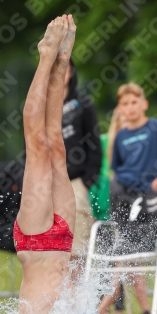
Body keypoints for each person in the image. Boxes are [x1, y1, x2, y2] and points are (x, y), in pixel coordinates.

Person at [98, 82, 157, 314]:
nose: (130, 107)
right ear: (120, 109)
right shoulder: (121, 136)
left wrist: (155, 186)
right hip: (125, 201)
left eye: (134, 102)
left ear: (143, 104)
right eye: (125, 103)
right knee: (126, 255)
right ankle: (144, 310)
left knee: (129, 255)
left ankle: (102, 308)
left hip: (151, 202)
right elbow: (115, 173)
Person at [13, 15, 77, 314]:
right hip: (57, 241)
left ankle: (47, 58)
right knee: (53, 145)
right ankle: (58, 60)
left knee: (38, 145)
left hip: (36, 241)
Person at [62, 59, 102, 266]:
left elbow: (94, 144)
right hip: (46, 186)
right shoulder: (38, 106)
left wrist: (87, 181)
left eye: (64, 67)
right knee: (51, 247)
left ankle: (77, 297)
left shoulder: (83, 104)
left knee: (76, 248)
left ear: (72, 72)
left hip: (76, 181)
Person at [89, 109, 127, 314]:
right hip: (103, 210)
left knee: (119, 262)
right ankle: (108, 307)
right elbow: (94, 175)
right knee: (108, 262)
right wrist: (93, 209)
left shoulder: (134, 147)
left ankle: (109, 308)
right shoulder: (104, 143)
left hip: (125, 211)